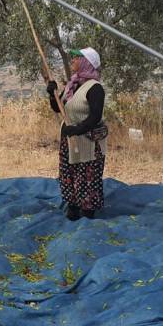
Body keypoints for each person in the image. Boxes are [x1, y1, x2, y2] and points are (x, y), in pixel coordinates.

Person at [45, 47, 108, 221]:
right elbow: (59, 108)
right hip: (70, 138)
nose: (72, 60)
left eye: (76, 57)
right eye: (72, 57)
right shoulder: (72, 84)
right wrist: (53, 94)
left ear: (86, 62)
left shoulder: (95, 88)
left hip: (88, 141)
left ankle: (88, 210)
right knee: (69, 172)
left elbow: (95, 117)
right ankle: (73, 205)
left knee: (87, 174)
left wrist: (76, 129)